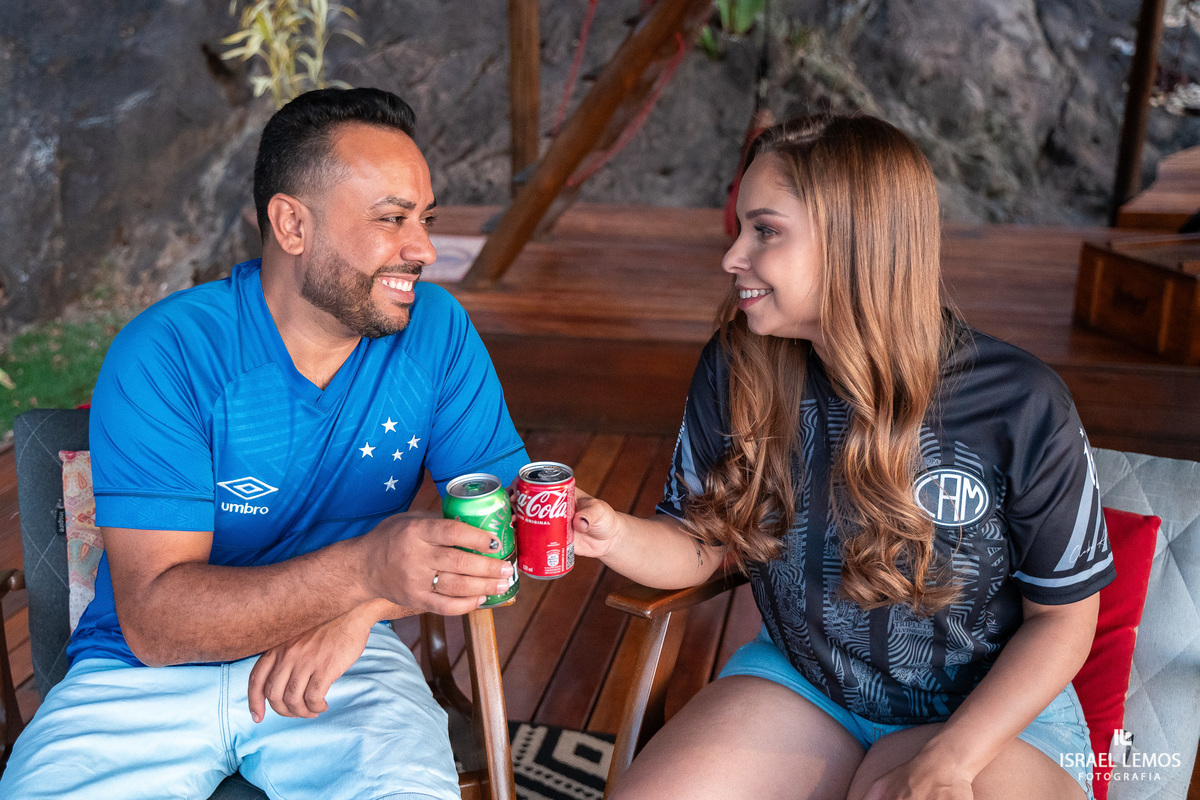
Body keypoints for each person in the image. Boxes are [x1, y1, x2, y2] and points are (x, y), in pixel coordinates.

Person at [0, 87, 528, 799]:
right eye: (391, 219)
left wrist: (365, 609)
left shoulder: (435, 330)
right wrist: (367, 569)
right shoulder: (170, 350)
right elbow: (156, 625)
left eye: (425, 219)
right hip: (138, 676)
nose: (425, 249)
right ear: (291, 224)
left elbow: (508, 533)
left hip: (342, 655)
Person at [573, 114, 1110, 800]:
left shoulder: (1022, 402)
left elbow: (1064, 620)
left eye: (765, 231)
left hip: (988, 717)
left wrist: (951, 759)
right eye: (740, 229)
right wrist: (610, 534)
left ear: (857, 242)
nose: (733, 257)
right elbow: (702, 544)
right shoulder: (738, 366)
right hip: (808, 685)